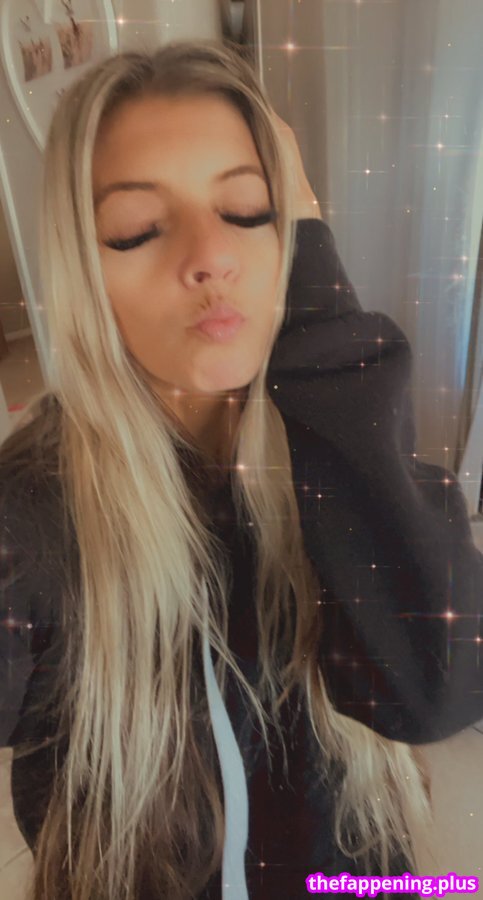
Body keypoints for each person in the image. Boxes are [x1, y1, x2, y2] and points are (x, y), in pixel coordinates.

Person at [0, 40, 482, 900]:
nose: (211, 255)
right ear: (84, 271)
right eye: (138, 228)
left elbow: (434, 688)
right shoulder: (29, 510)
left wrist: (312, 304)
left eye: (249, 210)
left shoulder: (338, 457)